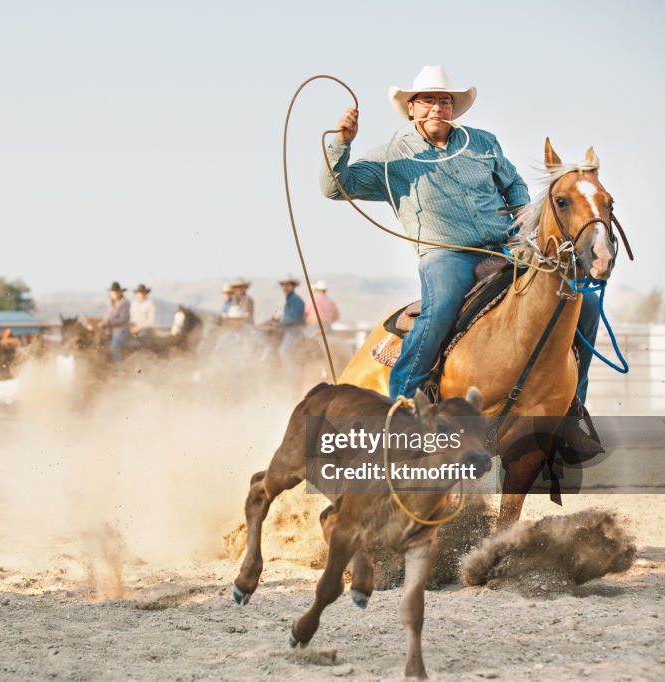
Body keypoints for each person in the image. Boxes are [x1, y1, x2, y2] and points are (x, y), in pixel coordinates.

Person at [319, 65, 601, 454]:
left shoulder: (483, 143)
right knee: (443, 304)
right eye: (429, 101)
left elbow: (514, 183)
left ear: (453, 108)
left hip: (506, 247)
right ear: (412, 108)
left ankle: (572, 409)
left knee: (581, 301)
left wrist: (523, 216)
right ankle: (400, 407)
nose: (437, 107)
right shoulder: (391, 157)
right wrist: (341, 143)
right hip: (444, 254)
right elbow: (337, 187)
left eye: (444, 100)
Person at [208, 304, 272, 374]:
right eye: (233, 319)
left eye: (238, 319)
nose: (235, 322)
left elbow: (267, 346)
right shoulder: (225, 337)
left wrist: (261, 362)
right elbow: (215, 355)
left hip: (252, 371)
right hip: (232, 373)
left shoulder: (251, 332)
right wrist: (222, 368)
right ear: (229, 320)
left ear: (242, 319)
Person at [276, 274, 306, 372]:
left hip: (294, 331)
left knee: (284, 352)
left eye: (288, 285)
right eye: (283, 285)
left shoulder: (296, 300)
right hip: (288, 330)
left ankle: (291, 376)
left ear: (293, 286)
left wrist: (280, 322)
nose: (285, 287)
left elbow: (294, 318)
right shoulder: (289, 299)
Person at [105, 281, 130, 364]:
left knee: (114, 347)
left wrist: (110, 322)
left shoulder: (125, 303)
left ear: (120, 292)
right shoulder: (112, 304)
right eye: (112, 292)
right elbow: (108, 316)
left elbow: (123, 319)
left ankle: (120, 369)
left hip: (121, 330)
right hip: (111, 330)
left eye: (115, 292)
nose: (114, 294)